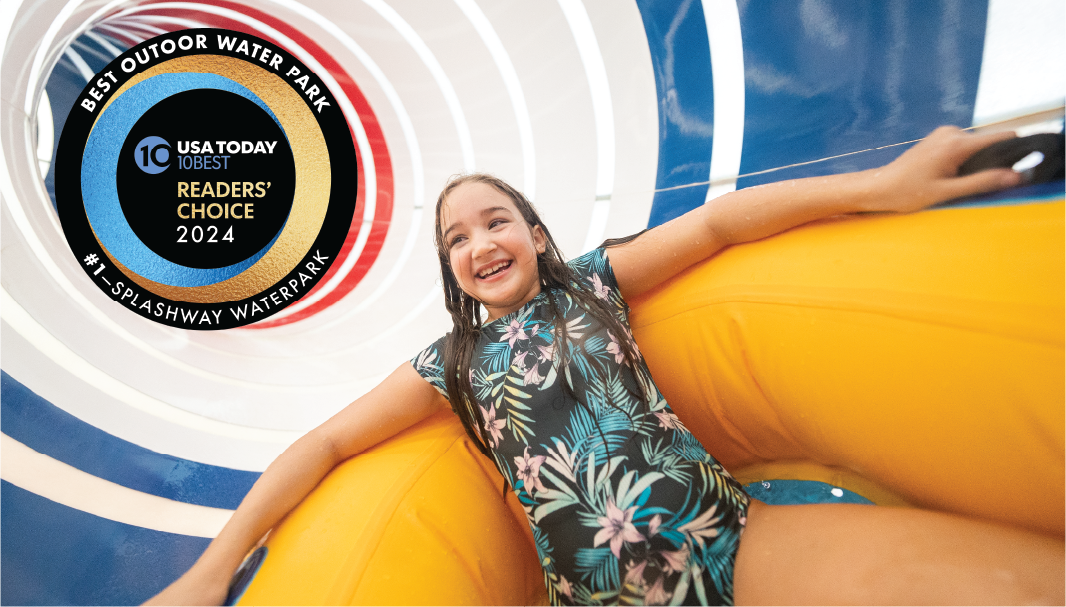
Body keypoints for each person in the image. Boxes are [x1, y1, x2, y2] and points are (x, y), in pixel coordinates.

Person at [142, 126, 1066, 607]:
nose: (480, 241)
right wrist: (214, 569)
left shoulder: (592, 285)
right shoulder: (451, 363)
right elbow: (329, 441)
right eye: (456, 238)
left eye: (496, 219)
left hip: (730, 543)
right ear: (451, 271)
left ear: (537, 236)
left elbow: (715, 225)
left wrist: (879, 188)